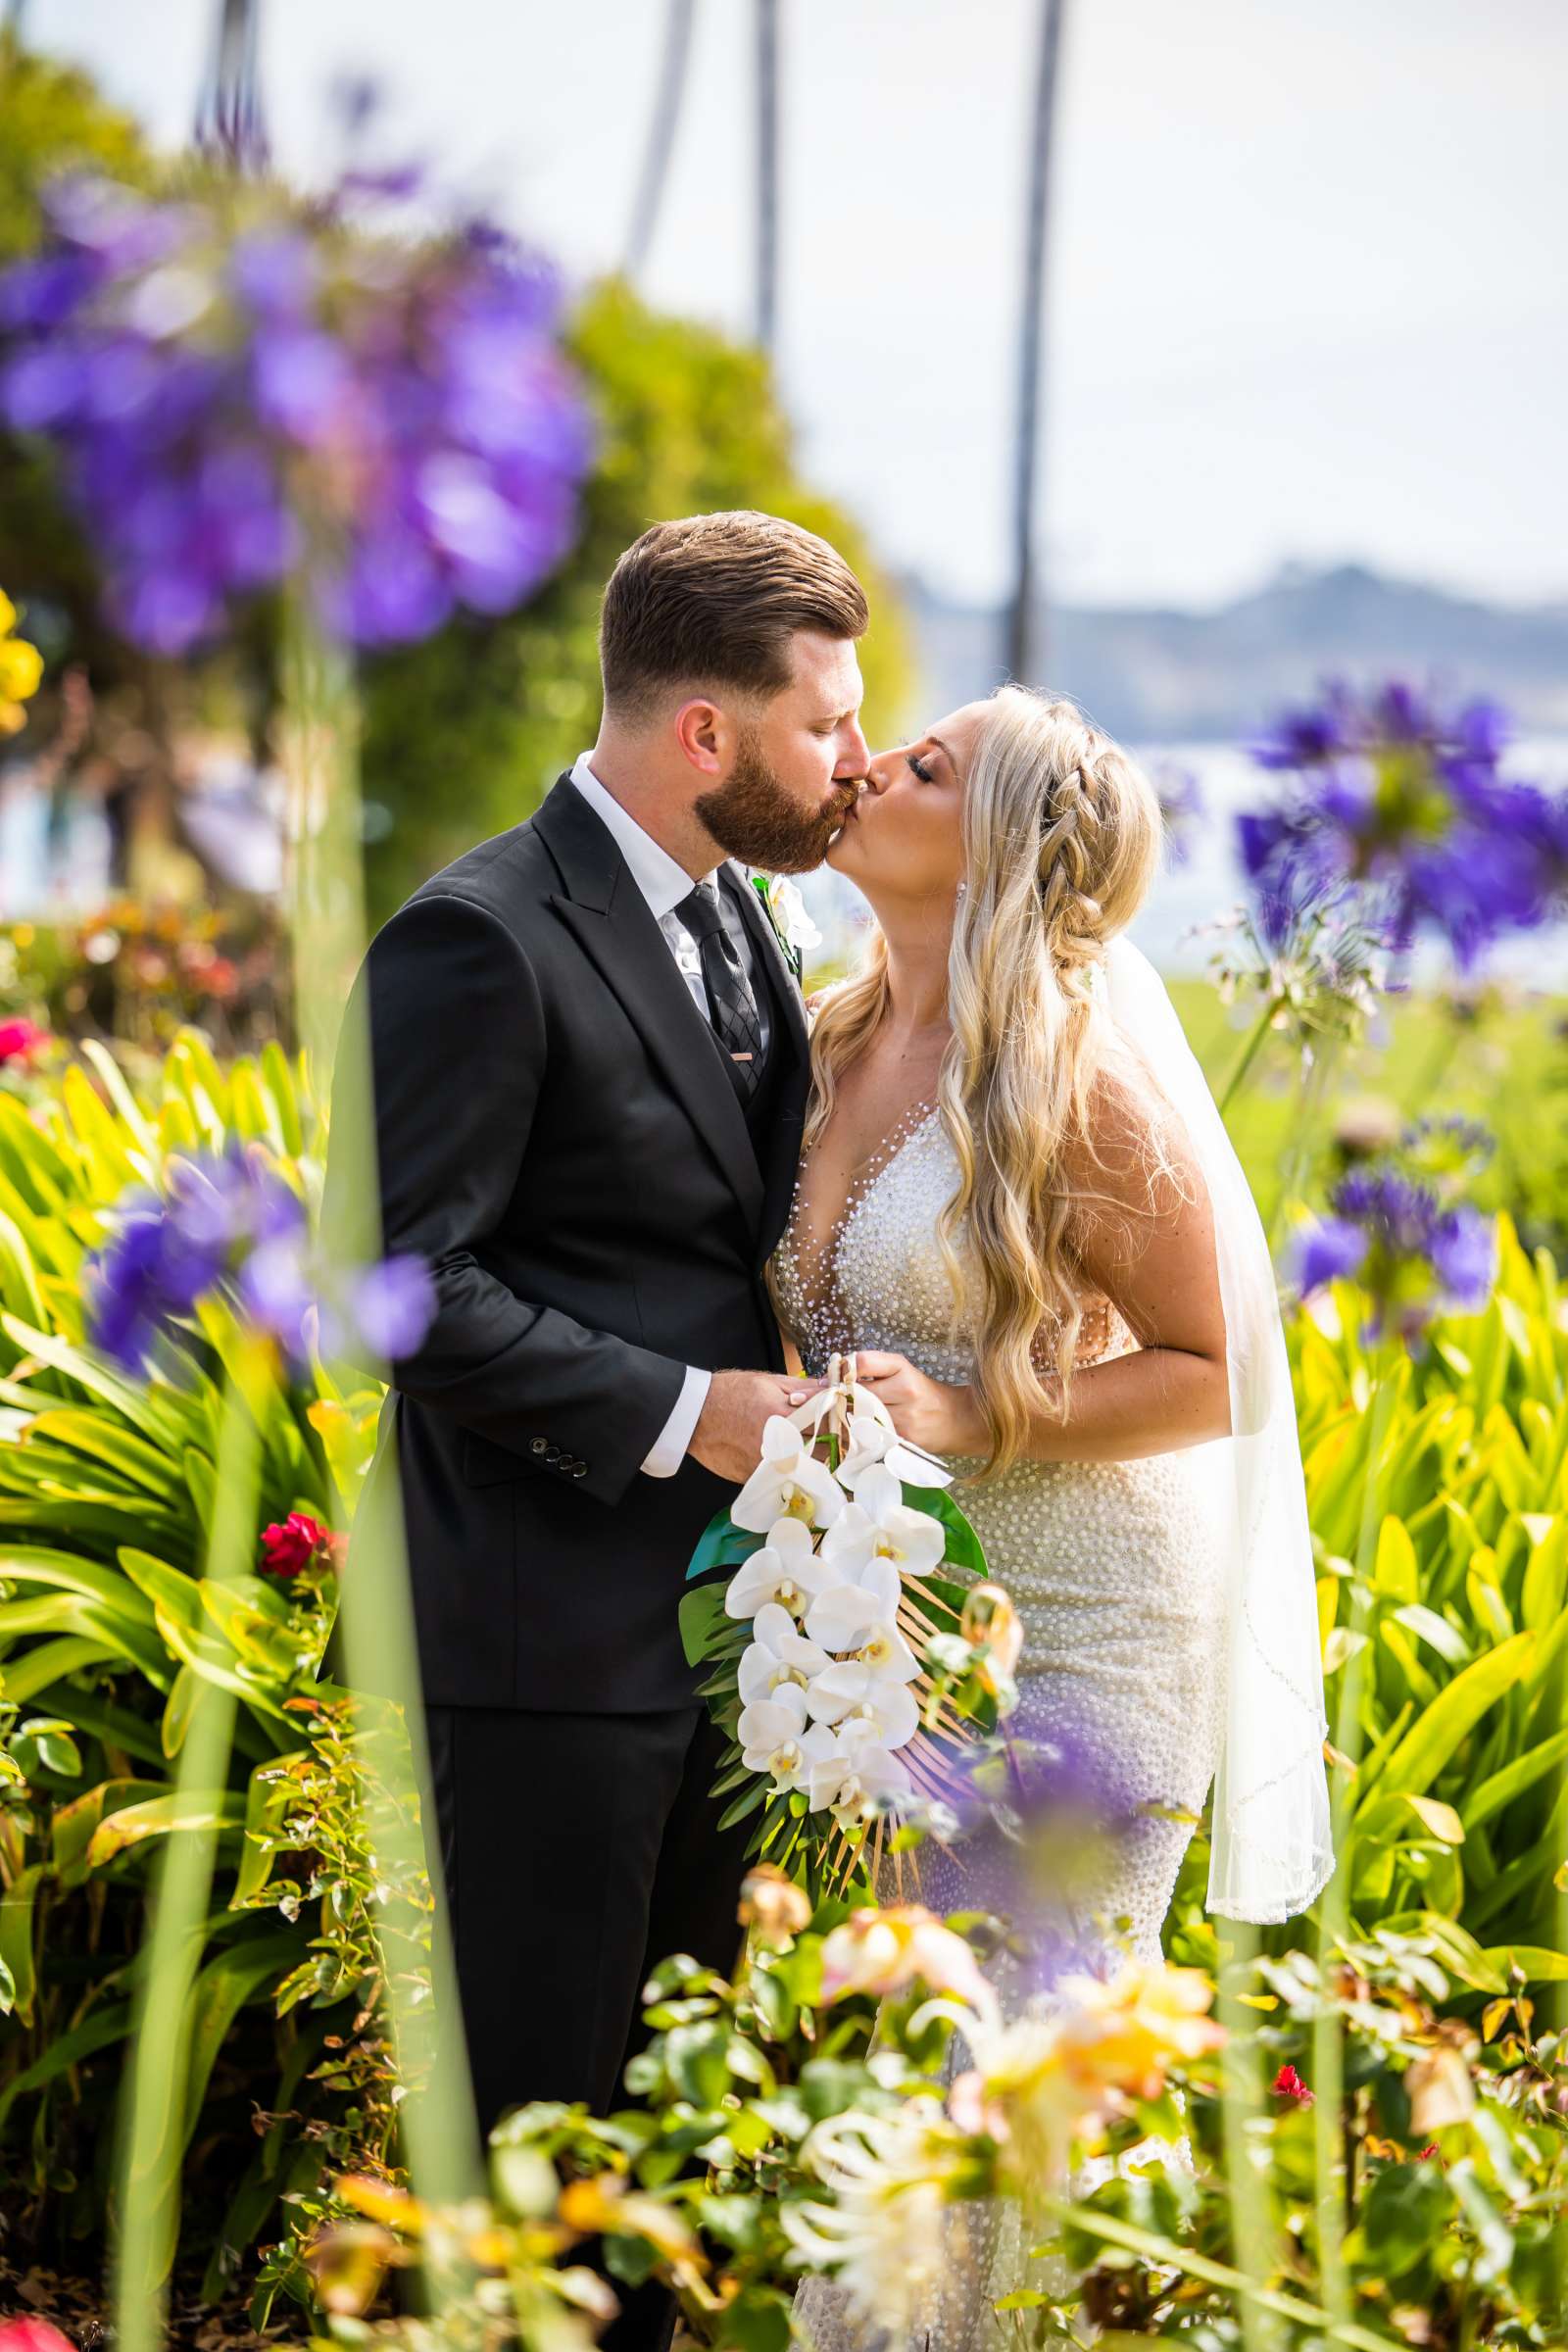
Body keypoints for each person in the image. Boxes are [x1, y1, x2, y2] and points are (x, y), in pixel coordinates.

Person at [323, 510, 871, 2352]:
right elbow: (399, 1286)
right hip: (539, 1643)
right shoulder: (478, 938)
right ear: (702, 734)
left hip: (717, 1641)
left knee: (670, 2153)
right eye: (826, 727)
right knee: (529, 2159)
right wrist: (677, 1415)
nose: (855, 764)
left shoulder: (745, 918)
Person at [776, 684, 1333, 2346]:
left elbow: (1227, 1367)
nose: (873, 763)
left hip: (1087, 1648)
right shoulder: (824, 1027)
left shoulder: (1069, 1079)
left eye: (926, 765)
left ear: (999, 851)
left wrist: (970, 1413)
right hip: (897, 1639)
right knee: (868, 2132)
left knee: (975, 2145)